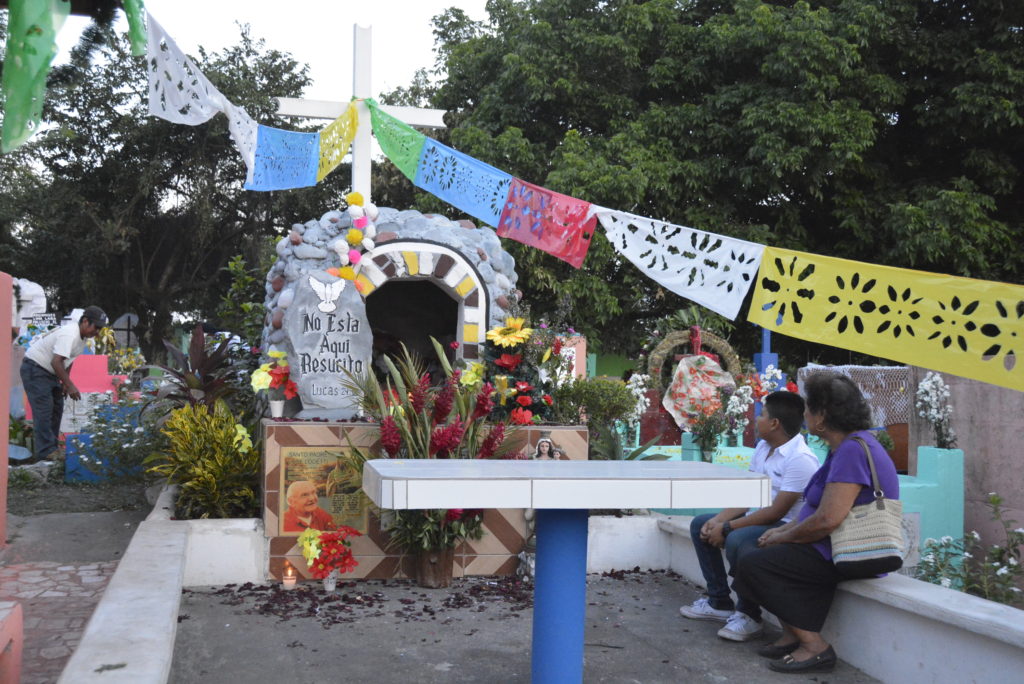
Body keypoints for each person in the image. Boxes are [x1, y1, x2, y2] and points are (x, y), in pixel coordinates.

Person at [731, 372, 899, 674]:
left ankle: (814, 646)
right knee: (751, 552)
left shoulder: (851, 450)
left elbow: (827, 519)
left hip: (839, 549)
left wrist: (783, 537)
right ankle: (791, 635)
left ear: (822, 417)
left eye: (809, 409)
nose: (804, 414)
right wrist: (781, 530)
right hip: (823, 545)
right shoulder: (844, 448)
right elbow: (815, 511)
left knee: (753, 564)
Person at [679, 391, 819, 642]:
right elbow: (750, 493)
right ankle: (719, 601)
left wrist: (729, 527)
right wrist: (719, 520)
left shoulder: (801, 460)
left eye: (762, 415)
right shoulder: (764, 447)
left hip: (784, 526)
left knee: (737, 540)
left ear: (775, 423)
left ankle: (749, 615)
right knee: (700, 524)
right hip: (759, 516)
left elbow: (777, 511)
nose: (756, 420)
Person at [20, 306, 107, 460]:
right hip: (35, 369)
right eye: (96, 327)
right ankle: (45, 453)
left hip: (49, 372)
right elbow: (56, 361)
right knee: (44, 411)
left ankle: (51, 450)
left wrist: (65, 383)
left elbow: (67, 360)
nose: (98, 332)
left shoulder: (83, 338)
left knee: (57, 409)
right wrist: (70, 384)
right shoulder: (70, 334)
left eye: (100, 329)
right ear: (85, 321)